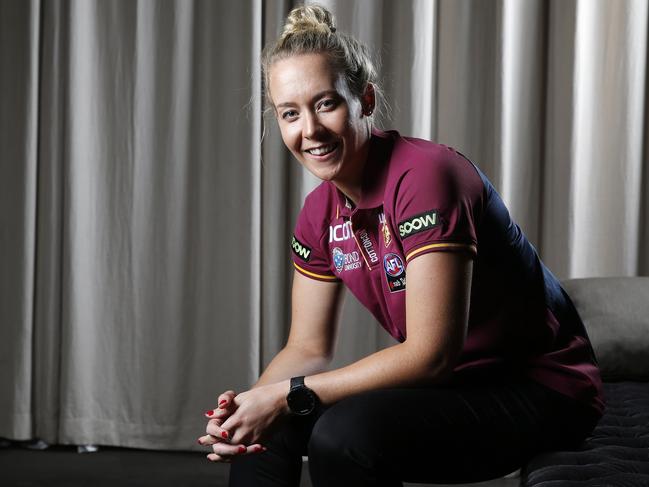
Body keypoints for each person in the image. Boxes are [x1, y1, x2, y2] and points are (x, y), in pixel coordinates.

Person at [197, 5, 604, 486]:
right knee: (266, 430)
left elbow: (431, 354)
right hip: (452, 387)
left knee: (340, 435)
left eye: (326, 104)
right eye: (290, 113)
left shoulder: (426, 177)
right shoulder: (317, 215)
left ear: (364, 101)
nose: (309, 130)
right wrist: (246, 410)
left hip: (542, 389)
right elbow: (306, 347)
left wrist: (286, 395)